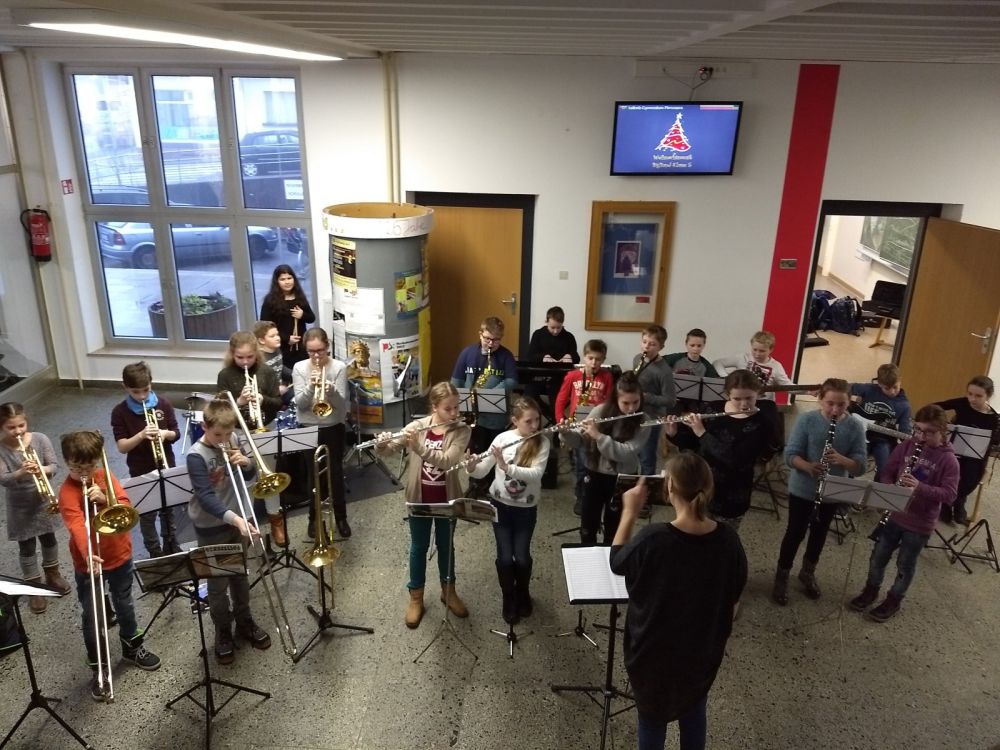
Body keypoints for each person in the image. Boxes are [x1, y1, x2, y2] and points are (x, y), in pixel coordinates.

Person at [610, 454, 747, 750]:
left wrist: (629, 512)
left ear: (669, 486)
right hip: (701, 652)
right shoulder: (729, 541)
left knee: (651, 720)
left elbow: (617, 562)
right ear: (708, 486)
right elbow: (734, 600)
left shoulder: (653, 538)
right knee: (694, 710)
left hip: (653, 654)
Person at [58, 430, 160, 700]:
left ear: (97, 461)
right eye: (77, 467)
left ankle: (132, 648)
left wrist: (105, 498)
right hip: (87, 563)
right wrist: (87, 553)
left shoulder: (105, 476)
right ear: (67, 462)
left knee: (125, 604)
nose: (84, 473)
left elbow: (125, 504)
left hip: (119, 555)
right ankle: (99, 667)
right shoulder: (67, 492)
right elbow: (76, 525)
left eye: (89, 466)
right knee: (92, 615)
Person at [849, 404, 959, 622]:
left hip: (919, 523)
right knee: (878, 557)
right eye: (918, 430)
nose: (921, 437)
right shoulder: (908, 445)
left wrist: (919, 487)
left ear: (942, 431)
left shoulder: (949, 460)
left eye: (929, 432)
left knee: (905, 565)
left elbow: (950, 495)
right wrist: (890, 487)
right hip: (894, 513)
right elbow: (888, 471)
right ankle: (871, 590)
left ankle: (894, 599)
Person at [375, 382, 472, 628]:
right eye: (448, 408)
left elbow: (447, 461)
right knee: (418, 547)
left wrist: (418, 447)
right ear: (434, 407)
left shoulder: (461, 430)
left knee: (446, 546)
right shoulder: (417, 427)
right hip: (418, 498)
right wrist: (382, 443)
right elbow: (388, 451)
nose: (454, 413)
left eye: (456, 407)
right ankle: (416, 597)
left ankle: (448, 591)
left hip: (447, 498)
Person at [186, 397, 271, 663]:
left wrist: (246, 463)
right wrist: (236, 520)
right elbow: (205, 497)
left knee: (240, 574)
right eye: (217, 435)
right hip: (212, 526)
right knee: (217, 583)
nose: (223, 440)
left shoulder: (233, 439)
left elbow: (248, 476)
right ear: (204, 427)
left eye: (228, 434)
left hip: (238, 518)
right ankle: (223, 630)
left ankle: (244, 621)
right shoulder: (196, 456)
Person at [772, 378, 867, 605]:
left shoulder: (854, 426)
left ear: (849, 402)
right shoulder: (807, 420)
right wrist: (807, 466)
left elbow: (861, 466)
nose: (835, 409)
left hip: (833, 490)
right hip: (803, 489)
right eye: (830, 403)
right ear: (820, 400)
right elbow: (790, 455)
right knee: (795, 533)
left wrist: (842, 460)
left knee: (819, 533)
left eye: (841, 405)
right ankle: (782, 575)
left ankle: (807, 572)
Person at [465, 396, 550, 624]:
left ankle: (523, 592)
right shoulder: (502, 439)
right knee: (504, 557)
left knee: (521, 557)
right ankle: (508, 596)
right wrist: (472, 466)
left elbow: (536, 474)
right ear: (515, 421)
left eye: (537, 420)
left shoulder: (542, 442)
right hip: (500, 506)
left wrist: (506, 467)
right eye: (528, 421)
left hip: (526, 509)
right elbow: (482, 470)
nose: (535, 425)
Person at [663, 370, 774, 531]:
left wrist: (702, 433)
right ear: (728, 394)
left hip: (732, 493)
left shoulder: (763, 424)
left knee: (723, 538)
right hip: (700, 487)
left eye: (749, 398)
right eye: (737, 399)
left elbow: (736, 459)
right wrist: (674, 434)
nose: (743, 404)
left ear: (758, 393)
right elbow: (694, 444)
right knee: (695, 533)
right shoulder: (712, 408)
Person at [563, 371, 649, 545]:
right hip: (595, 473)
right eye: (626, 403)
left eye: (636, 402)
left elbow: (626, 452)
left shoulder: (644, 420)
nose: (631, 408)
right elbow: (580, 440)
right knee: (588, 525)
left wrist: (599, 436)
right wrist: (565, 433)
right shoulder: (600, 411)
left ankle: (611, 558)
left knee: (614, 529)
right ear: (616, 399)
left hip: (623, 477)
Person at [0, 402, 70, 614]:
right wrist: (21, 472)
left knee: (49, 539)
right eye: (11, 427)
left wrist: (41, 469)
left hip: (43, 500)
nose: (18, 431)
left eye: (21, 425)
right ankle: (33, 586)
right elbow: (4, 479)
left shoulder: (40, 439)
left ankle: (52, 574)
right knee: (27, 547)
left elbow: (54, 466)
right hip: (20, 506)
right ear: (2, 427)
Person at [216, 330, 285, 544]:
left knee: (269, 477)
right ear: (232, 354)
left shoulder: (266, 372)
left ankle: (276, 520)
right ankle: (247, 525)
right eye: (240, 357)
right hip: (237, 432)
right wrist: (239, 402)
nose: (245, 362)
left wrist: (263, 399)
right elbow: (220, 411)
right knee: (245, 480)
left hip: (265, 428)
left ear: (257, 353)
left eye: (250, 357)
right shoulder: (225, 375)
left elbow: (278, 403)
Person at [110, 361, 181, 558]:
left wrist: (165, 434)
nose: (142, 396)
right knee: (147, 515)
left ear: (151, 383)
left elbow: (176, 432)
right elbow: (122, 446)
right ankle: (154, 552)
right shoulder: (120, 412)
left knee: (169, 512)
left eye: (146, 390)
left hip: (166, 466)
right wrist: (141, 435)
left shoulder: (163, 404)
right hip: (140, 470)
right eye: (135, 392)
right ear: (125, 387)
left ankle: (172, 546)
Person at [293, 327, 351, 539]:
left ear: (328, 347)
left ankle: (341, 517)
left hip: (333, 426)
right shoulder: (299, 368)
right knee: (313, 476)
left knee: (335, 473)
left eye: (320, 350)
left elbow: (341, 404)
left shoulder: (338, 367)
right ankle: (314, 519)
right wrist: (311, 387)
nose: (316, 356)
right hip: (308, 426)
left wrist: (331, 390)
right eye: (311, 351)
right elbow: (301, 404)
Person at [451, 316, 519, 498]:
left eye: (496, 340)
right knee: (474, 449)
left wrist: (490, 394)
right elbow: (456, 379)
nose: (491, 343)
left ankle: (491, 486)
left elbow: (512, 380)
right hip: (471, 415)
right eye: (487, 338)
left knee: (493, 451)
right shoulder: (467, 353)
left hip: (495, 416)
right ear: (480, 334)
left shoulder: (505, 355)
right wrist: (458, 402)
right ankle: (475, 485)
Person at [555, 339, 614, 515]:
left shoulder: (607, 377)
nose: (594, 363)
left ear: (603, 359)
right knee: (581, 463)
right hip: (577, 427)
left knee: (596, 461)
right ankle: (581, 495)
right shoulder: (573, 376)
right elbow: (561, 400)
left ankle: (594, 491)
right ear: (584, 357)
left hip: (597, 427)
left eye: (598, 359)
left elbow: (610, 402)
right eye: (590, 358)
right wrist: (560, 419)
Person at [932, 376, 999, 525]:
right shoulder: (962, 403)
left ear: (988, 396)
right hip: (952, 451)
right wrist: (944, 424)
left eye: (978, 396)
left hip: (975, 457)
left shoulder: (994, 419)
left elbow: (991, 446)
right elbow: (935, 407)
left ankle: (958, 500)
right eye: (970, 394)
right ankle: (948, 503)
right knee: (950, 470)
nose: (972, 399)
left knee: (969, 478)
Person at [662, 328, 721, 452]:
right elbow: (658, 364)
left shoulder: (706, 366)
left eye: (699, 346)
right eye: (692, 345)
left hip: (694, 400)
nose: (695, 349)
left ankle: (694, 444)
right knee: (673, 416)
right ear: (686, 344)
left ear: (704, 346)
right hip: (676, 398)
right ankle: (678, 441)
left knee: (697, 417)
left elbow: (715, 383)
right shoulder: (676, 358)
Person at [850, 363, 912, 479]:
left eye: (895, 387)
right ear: (879, 383)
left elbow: (905, 432)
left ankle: (877, 487)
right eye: (887, 388)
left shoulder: (904, 405)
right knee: (853, 461)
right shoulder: (869, 389)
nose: (892, 391)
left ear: (900, 381)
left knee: (885, 468)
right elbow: (847, 387)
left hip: (883, 439)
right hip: (861, 435)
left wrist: (911, 441)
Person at [259, 264, 316, 370]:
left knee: (302, 371)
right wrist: (286, 338)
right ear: (277, 282)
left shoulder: (299, 297)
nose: (287, 282)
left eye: (289, 278)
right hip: (281, 346)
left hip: (300, 347)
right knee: (285, 373)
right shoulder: (270, 301)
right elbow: (265, 326)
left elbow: (311, 318)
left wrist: (302, 315)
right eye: (283, 279)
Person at [713, 330, 793, 399]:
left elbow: (788, 386)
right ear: (751, 346)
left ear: (771, 349)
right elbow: (717, 362)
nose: (757, 354)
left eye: (762, 351)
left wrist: (801, 390)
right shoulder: (743, 358)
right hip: (740, 400)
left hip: (762, 403)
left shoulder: (776, 366)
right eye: (754, 350)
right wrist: (726, 378)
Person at [254, 320, 293, 407]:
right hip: (269, 397)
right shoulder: (259, 359)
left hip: (282, 389)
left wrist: (296, 373)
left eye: (277, 334)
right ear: (262, 340)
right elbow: (260, 387)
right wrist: (277, 390)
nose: (277, 338)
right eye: (272, 336)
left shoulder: (277, 350)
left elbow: (280, 367)